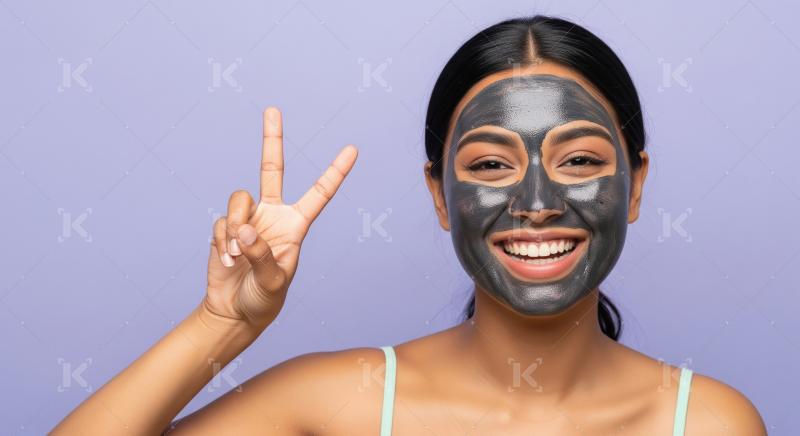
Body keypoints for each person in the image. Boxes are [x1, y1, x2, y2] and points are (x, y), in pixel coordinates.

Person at [52, 15, 767, 435]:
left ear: (634, 184)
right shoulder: (341, 404)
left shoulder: (707, 422)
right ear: (439, 194)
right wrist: (222, 323)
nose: (537, 201)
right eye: (490, 165)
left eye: (578, 159)